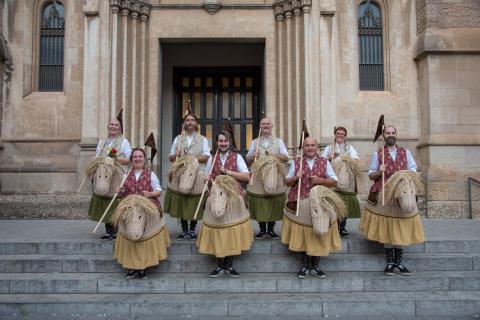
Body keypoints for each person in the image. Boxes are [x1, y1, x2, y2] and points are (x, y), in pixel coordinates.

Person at [359, 125, 425, 276]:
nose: (390, 135)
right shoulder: (378, 154)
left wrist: (405, 175)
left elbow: (413, 169)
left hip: (402, 193)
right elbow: (370, 175)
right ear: (383, 135)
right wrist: (379, 171)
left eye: (393, 133)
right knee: (388, 227)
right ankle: (390, 263)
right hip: (385, 195)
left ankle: (398, 263)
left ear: (396, 135)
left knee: (400, 225)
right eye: (388, 133)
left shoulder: (405, 152)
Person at [282, 137, 341, 279]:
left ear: (317, 147)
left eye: (312, 145)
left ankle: (315, 266)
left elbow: (334, 181)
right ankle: (304, 265)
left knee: (317, 231)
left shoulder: (325, 162)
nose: (310, 147)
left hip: (320, 202)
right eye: (307, 145)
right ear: (303, 147)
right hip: (300, 202)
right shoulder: (296, 162)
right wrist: (296, 177)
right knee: (304, 232)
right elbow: (287, 182)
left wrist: (320, 180)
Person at [196, 131, 253, 278]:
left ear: (230, 142)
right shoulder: (211, 159)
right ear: (217, 143)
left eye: (225, 141)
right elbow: (208, 180)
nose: (223, 144)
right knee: (217, 230)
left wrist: (228, 172)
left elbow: (246, 177)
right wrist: (207, 179)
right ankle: (220, 264)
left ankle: (229, 264)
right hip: (215, 198)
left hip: (233, 199)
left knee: (230, 230)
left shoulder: (237, 157)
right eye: (220, 141)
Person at [113, 148, 170, 280]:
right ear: (131, 160)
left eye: (140, 157)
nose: (137, 159)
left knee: (144, 237)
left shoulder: (151, 174)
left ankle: (143, 267)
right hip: (130, 210)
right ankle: (132, 268)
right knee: (130, 235)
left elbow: (158, 191)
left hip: (146, 209)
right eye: (135, 157)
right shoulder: (126, 174)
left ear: (144, 159)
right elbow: (120, 192)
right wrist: (119, 190)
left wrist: (150, 194)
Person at [164, 111, 210, 239]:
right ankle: (184, 229)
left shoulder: (203, 139)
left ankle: (192, 229)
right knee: (182, 200)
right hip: (180, 172)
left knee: (195, 200)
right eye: (188, 120)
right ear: (185, 123)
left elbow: (206, 156)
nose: (190, 122)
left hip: (197, 173)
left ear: (196, 123)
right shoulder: (178, 139)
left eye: (192, 120)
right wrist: (176, 154)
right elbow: (171, 157)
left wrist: (191, 159)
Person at [88, 118, 132, 240]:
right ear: (108, 126)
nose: (113, 127)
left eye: (116, 125)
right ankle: (108, 231)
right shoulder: (102, 142)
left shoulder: (124, 142)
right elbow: (97, 157)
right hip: (102, 176)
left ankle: (116, 230)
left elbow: (128, 159)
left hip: (116, 176)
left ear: (119, 128)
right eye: (111, 124)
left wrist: (114, 158)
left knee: (114, 201)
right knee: (104, 200)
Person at [246, 117, 289, 239]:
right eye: (263, 124)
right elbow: (248, 159)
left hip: (273, 174)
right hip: (258, 175)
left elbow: (286, 157)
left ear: (272, 126)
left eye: (268, 124)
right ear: (260, 127)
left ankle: (270, 229)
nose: (265, 126)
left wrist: (274, 155)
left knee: (272, 200)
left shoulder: (278, 141)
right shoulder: (255, 142)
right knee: (260, 201)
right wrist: (252, 156)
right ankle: (261, 229)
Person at [321, 126, 361, 237]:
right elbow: (321, 162)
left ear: (345, 136)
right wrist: (329, 158)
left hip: (347, 180)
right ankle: (334, 226)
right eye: (338, 133)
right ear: (335, 134)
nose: (340, 135)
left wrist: (345, 158)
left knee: (346, 203)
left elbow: (356, 160)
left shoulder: (350, 148)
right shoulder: (329, 148)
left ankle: (342, 227)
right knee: (333, 203)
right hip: (333, 180)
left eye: (342, 134)